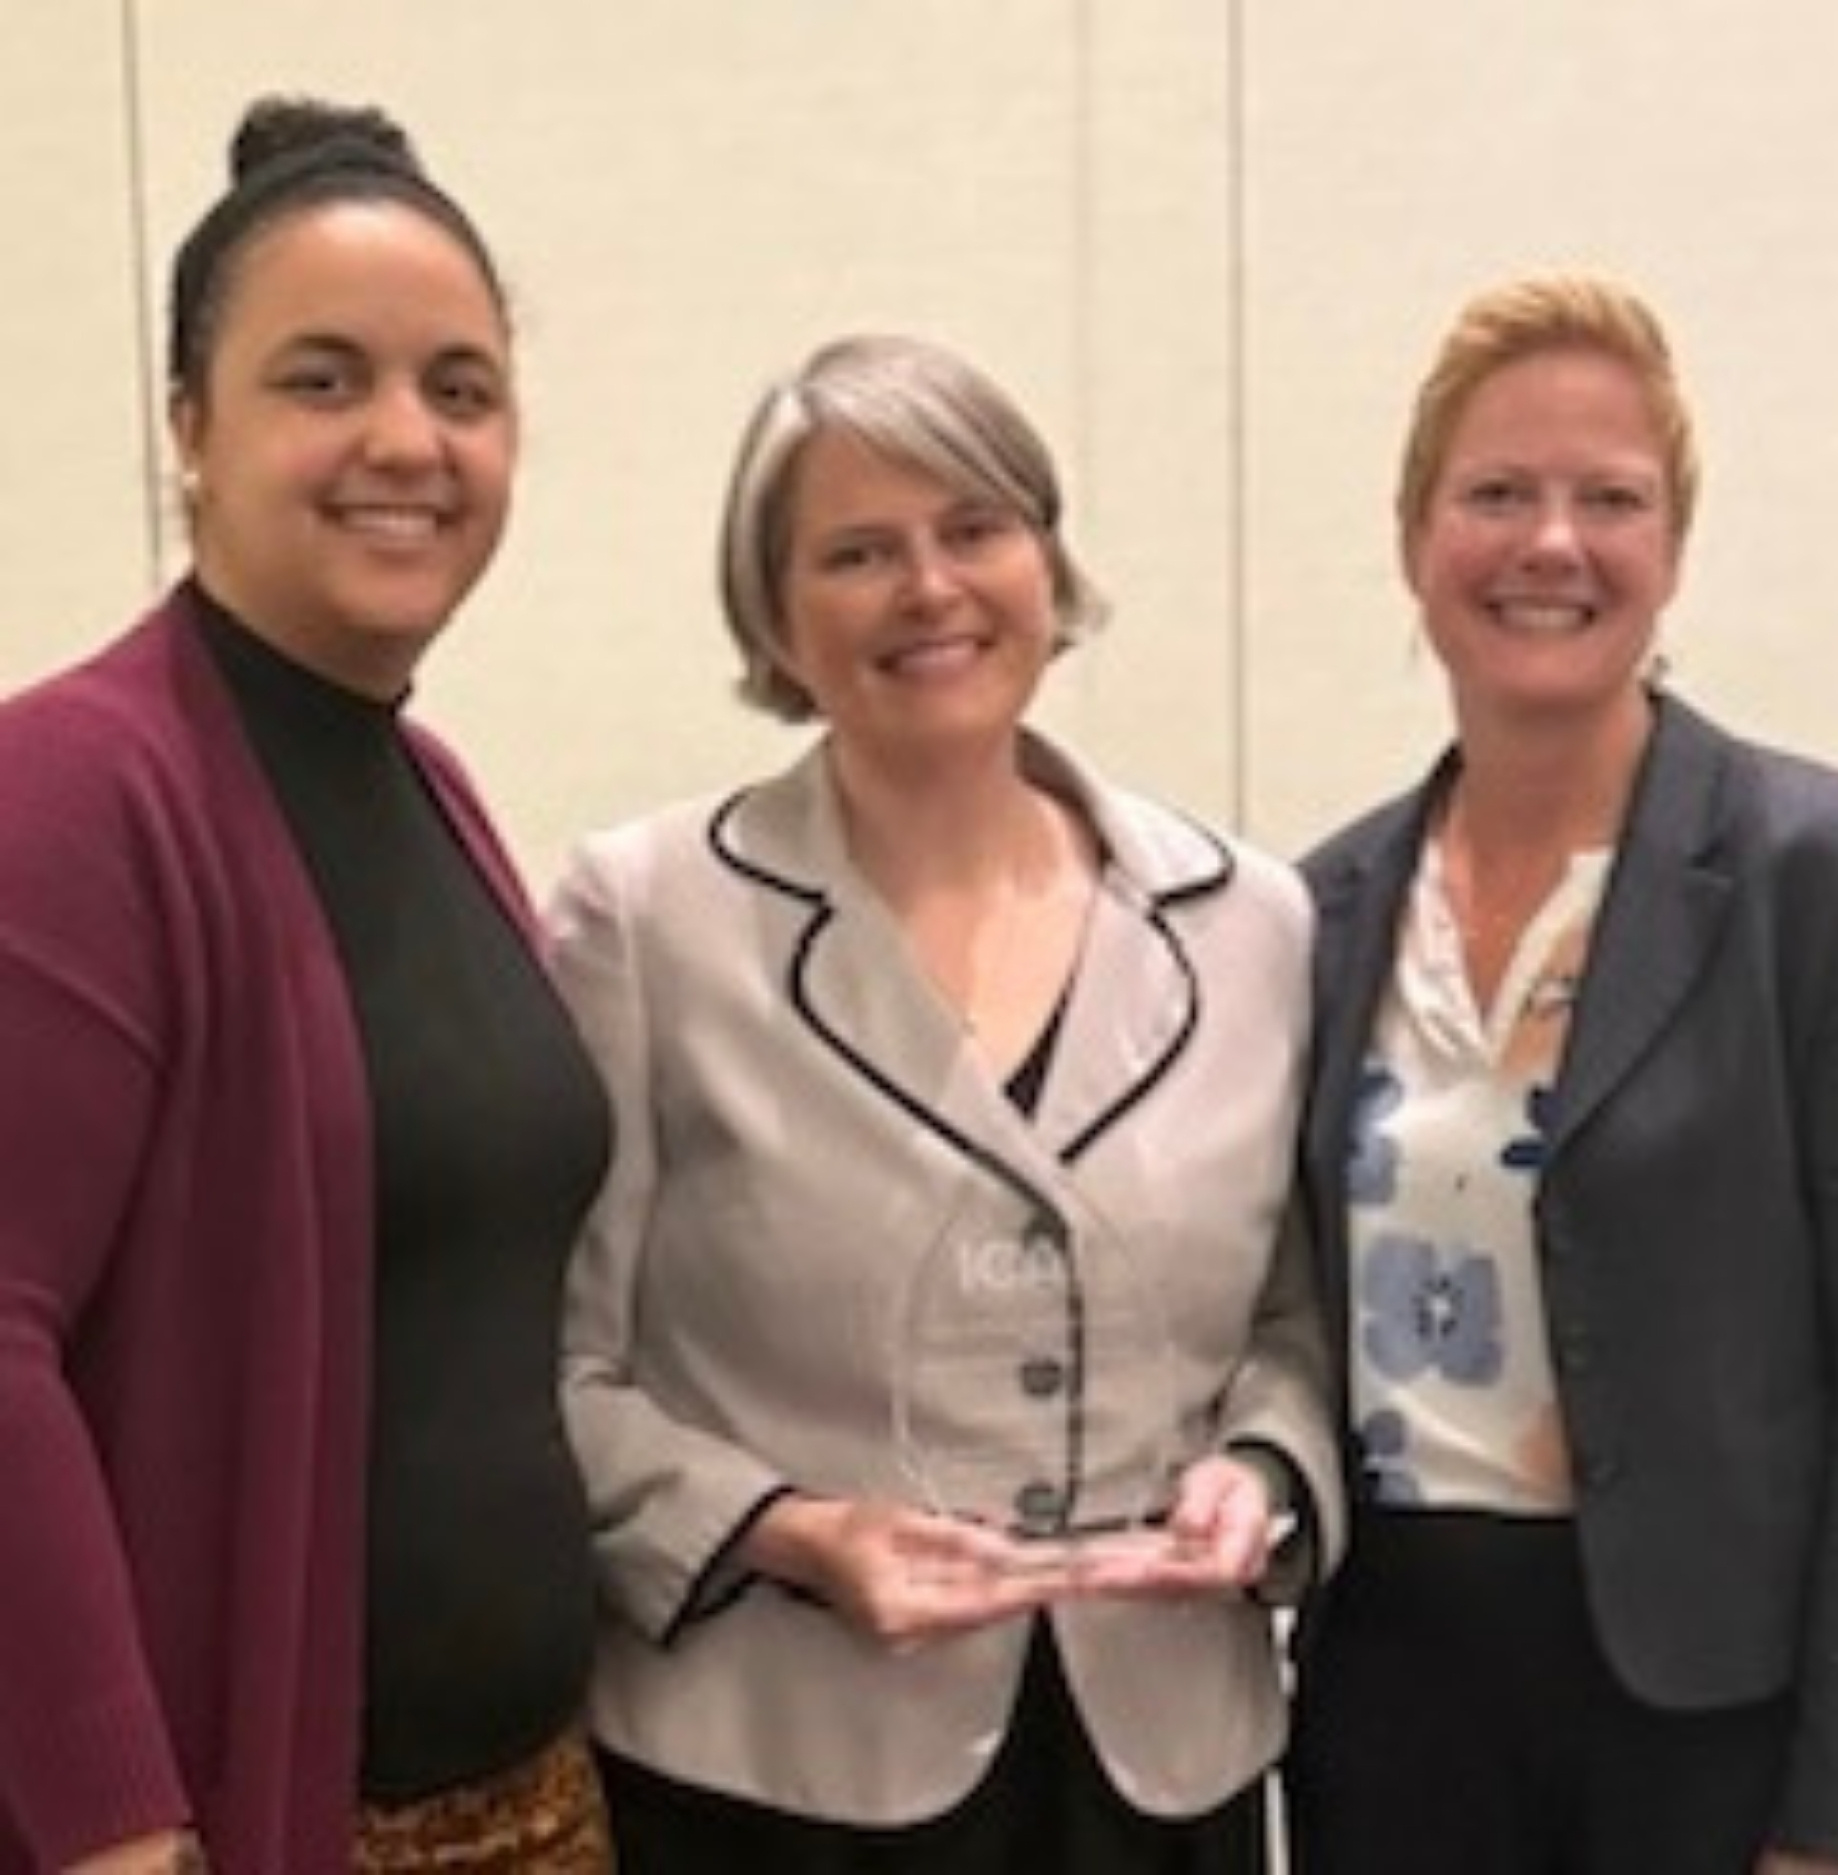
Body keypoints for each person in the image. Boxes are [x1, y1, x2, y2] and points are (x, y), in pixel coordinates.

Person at [548, 331, 1342, 1874]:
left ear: (1049, 561)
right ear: (773, 614)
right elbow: (558, 1370)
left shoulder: (1250, 920)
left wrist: (1259, 1478)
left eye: (975, 529)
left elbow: (1297, 1331)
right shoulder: (646, 920)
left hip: (1161, 1766)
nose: (930, 589)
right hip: (780, 1770)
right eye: (858, 552)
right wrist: (794, 1529)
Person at [0, 97, 616, 1872]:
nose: (406, 441)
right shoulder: (76, 791)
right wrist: (116, 1829)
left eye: (462, 388)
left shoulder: (430, 788)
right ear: (190, 428)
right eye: (323, 380)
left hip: (541, 1809)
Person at [1281, 271, 1838, 1874]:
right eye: (1495, 494)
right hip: (1388, 1697)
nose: (1551, 543)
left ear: (1670, 551)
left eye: (1609, 499)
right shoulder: (1318, 912)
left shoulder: (1823, 878)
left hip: (1704, 1721)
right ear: (1416, 543)